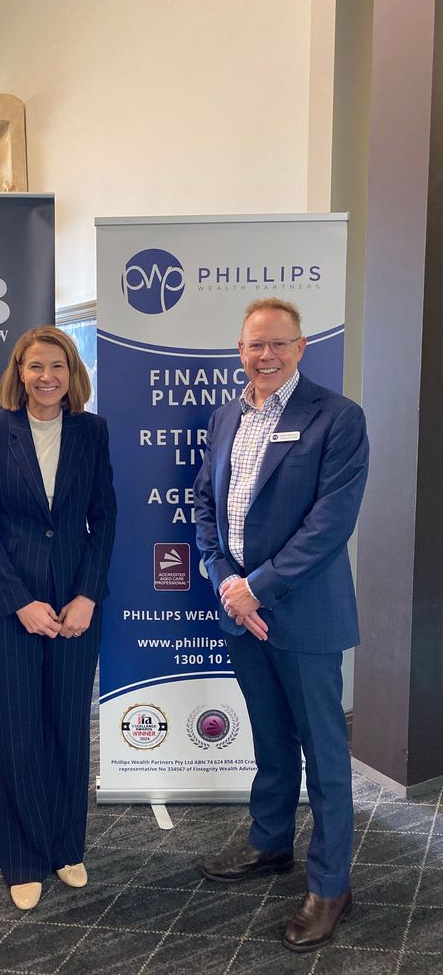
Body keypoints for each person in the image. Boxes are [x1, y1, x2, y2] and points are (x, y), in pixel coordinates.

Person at [193, 297, 369, 953]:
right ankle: (270, 845)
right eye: (253, 345)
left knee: (324, 755)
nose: (264, 356)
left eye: (278, 344)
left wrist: (256, 589)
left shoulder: (337, 418)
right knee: (270, 739)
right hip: (242, 614)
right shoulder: (225, 416)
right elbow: (205, 509)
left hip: (303, 614)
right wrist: (226, 585)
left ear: (300, 348)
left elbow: (330, 523)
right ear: (239, 351)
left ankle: (331, 885)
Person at [0, 325, 116, 911]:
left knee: (67, 726)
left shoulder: (92, 431)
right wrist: (20, 602)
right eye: (35, 366)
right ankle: (23, 857)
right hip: (11, 605)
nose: (47, 376)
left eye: (58, 365)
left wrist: (87, 595)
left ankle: (64, 846)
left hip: (76, 604)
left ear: (73, 372)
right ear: (19, 372)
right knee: (18, 727)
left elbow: (104, 519)